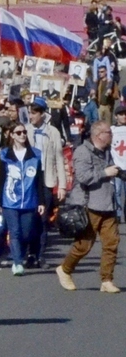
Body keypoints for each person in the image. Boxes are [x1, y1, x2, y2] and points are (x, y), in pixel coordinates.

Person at [56, 119, 122, 293]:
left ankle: (107, 280)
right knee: (84, 245)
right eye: (109, 132)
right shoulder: (82, 151)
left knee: (112, 243)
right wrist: (105, 173)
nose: (112, 135)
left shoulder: (106, 151)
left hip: (108, 203)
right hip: (90, 204)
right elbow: (84, 177)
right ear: (99, 135)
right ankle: (65, 269)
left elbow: (111, 169)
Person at [0, 123, 45, 275]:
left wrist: (41, 201)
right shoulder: (4, 154)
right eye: (18, 132)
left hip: (29, 200)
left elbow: (39, 180)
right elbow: (1, 179)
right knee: (14, 232)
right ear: (12, 135)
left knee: (26, 233)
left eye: (24, 132)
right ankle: (17, 263)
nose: (22, 135)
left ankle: (20, 254)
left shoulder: (35, 154)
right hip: (10, 201)